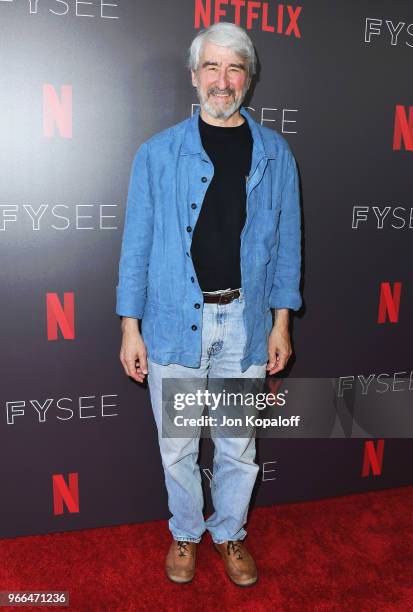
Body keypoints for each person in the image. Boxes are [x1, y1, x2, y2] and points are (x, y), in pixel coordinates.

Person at [116, 22, 302, 587]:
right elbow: (137, 246)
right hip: (175, 323)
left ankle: (229, 533)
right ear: (195, 76)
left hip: (243, 325)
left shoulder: (275, 154)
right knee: (177, 448)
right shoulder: (157, 154)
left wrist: (281, 323)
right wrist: (131, 327)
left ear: (249, 77)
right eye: (212, 68)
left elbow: (287, 245)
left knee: (236, 448)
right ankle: (186, 532)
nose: (223, 81)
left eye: (235, 69)